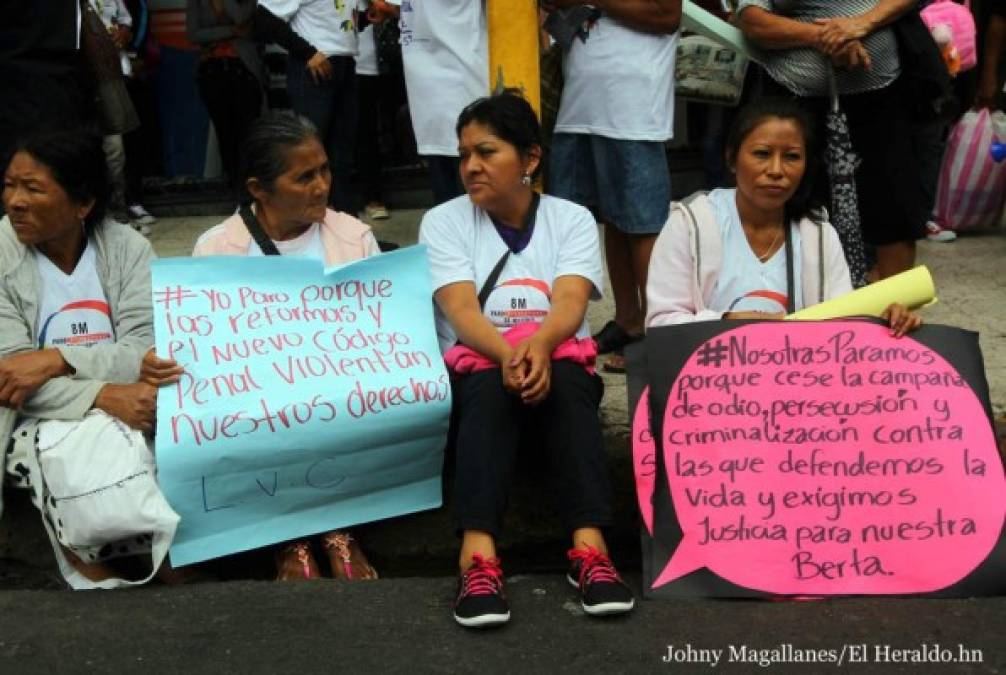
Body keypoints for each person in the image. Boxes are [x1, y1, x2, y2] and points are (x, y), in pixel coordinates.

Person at [418, 92, 634, 628]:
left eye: (486, 152)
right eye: (464, 154)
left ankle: (591, 551)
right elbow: (461, 308)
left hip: (556, 357)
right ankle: (478, 556)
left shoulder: (572, 218)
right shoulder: (443, 221)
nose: (470, 167)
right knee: (491, 386)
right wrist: (508, 354)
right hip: (479, 366)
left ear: (530, 159)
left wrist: (536, 346)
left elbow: (570, 301)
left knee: (564, 376)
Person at [153, 112, 381, 580]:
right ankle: (291, 538)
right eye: (304, 177)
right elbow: (200, 352)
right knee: (268, 410)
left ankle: (337, 530)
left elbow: (380, 335)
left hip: (339, 393)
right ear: (258, 188)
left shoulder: (354, 238)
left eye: (324, 170)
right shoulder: (216, 248)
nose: (321, 185)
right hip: (252, 402)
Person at [0, 129, 180, 589]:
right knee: (79, 445)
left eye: (33, 188)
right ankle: (122, 571)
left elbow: (145, 348)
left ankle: (164, 568)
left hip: (126, 401)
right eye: (9, 185)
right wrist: (104, 393)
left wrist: (58, 358)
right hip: (28, 418)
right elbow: (11, 376)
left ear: (82, 205)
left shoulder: (127, 250)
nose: (15, 201)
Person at [646, 97, 921, 335]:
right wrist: (728, 322)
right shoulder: (691, 222)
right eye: (762, 154)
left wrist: (887, 320)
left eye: (791, 157)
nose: (776, 170)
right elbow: (660, 324)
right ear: (731, 158)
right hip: (709, 385)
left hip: (794, 386)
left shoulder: (817, 232)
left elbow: (841, 322)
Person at [735, 0, 927, 281]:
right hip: (795, 104)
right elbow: (752, 20)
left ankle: (892, 315)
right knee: (795, 206)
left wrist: (862, 23)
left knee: (894, 207)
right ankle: (798, 308)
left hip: (883, 98)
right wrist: (825, 37)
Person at [543, 0, 683, 374]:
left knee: (643, 222)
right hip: (581, 102)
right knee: (611, 217)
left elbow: (666, 15)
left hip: (633, 103)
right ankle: (629, 319)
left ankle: (660, 332)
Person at [253, 0, 360, 215]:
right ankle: (310, 225)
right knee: (311, 154)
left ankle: (347, 226)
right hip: (313, 66)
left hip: (345, 62)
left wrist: (369, 17)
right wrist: (307, 52)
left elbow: (337, 20)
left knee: (343, 155)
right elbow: (265, 16)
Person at [376, 0, 487, 205]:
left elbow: (385, 7)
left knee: (448, 190)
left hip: (432, 86)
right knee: (469, 183)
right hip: (463, 81)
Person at [187, 0, 267, 188]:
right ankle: (237, 187)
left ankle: (254, 186)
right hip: (212, 69)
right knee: (225, 132)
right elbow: (194, 34)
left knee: (249, 131)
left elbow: (240, 17)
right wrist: (231, 32)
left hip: (243, 68)